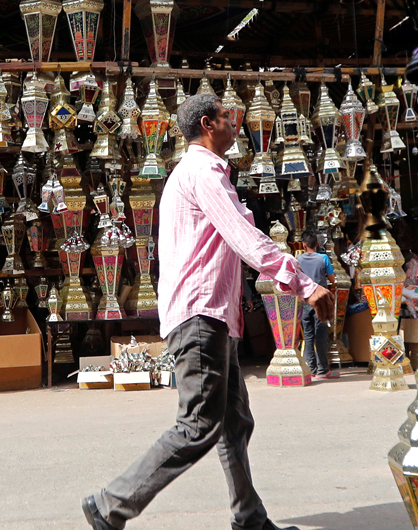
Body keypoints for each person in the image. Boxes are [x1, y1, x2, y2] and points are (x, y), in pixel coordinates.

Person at [81, 94, 333, 530]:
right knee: (199, 423)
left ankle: (249, 518)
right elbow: (244, 237)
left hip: (210, 316)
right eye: (225, 116)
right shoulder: (203, 172)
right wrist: (303, 283)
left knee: (234, 421)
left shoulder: (196, 173)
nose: (234, 122)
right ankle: (110, 504)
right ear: (206, 123)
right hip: (201, 315)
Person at [297, 230, 338, 379]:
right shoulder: (323, 258)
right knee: (321, 335)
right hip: (320, 301)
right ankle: (323, 370)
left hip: (305, 300)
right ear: (317, 244)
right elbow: (333, 280)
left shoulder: (298, 259)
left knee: (308, 335)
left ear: (304, 245)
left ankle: (311, 369)